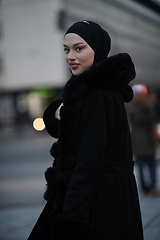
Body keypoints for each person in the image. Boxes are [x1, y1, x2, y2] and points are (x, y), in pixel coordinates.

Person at [28, 20, 143, 240]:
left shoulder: (96, 96)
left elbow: (88, 165)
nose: (70, 56)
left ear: (97, 49)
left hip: (101, 203)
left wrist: (71, 219)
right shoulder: (102, 90)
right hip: (114, 196)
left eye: (79, 48)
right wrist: (60, 113)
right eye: (66, 49)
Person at [130, 89, 160, 196]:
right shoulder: (148, 110)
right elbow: (153, 121)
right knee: (151, 165)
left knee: (141, 166)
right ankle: (152, 187)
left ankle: (144, 188)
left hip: (137, 143)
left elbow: (132, 126)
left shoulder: (133, 111)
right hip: (148, 141)